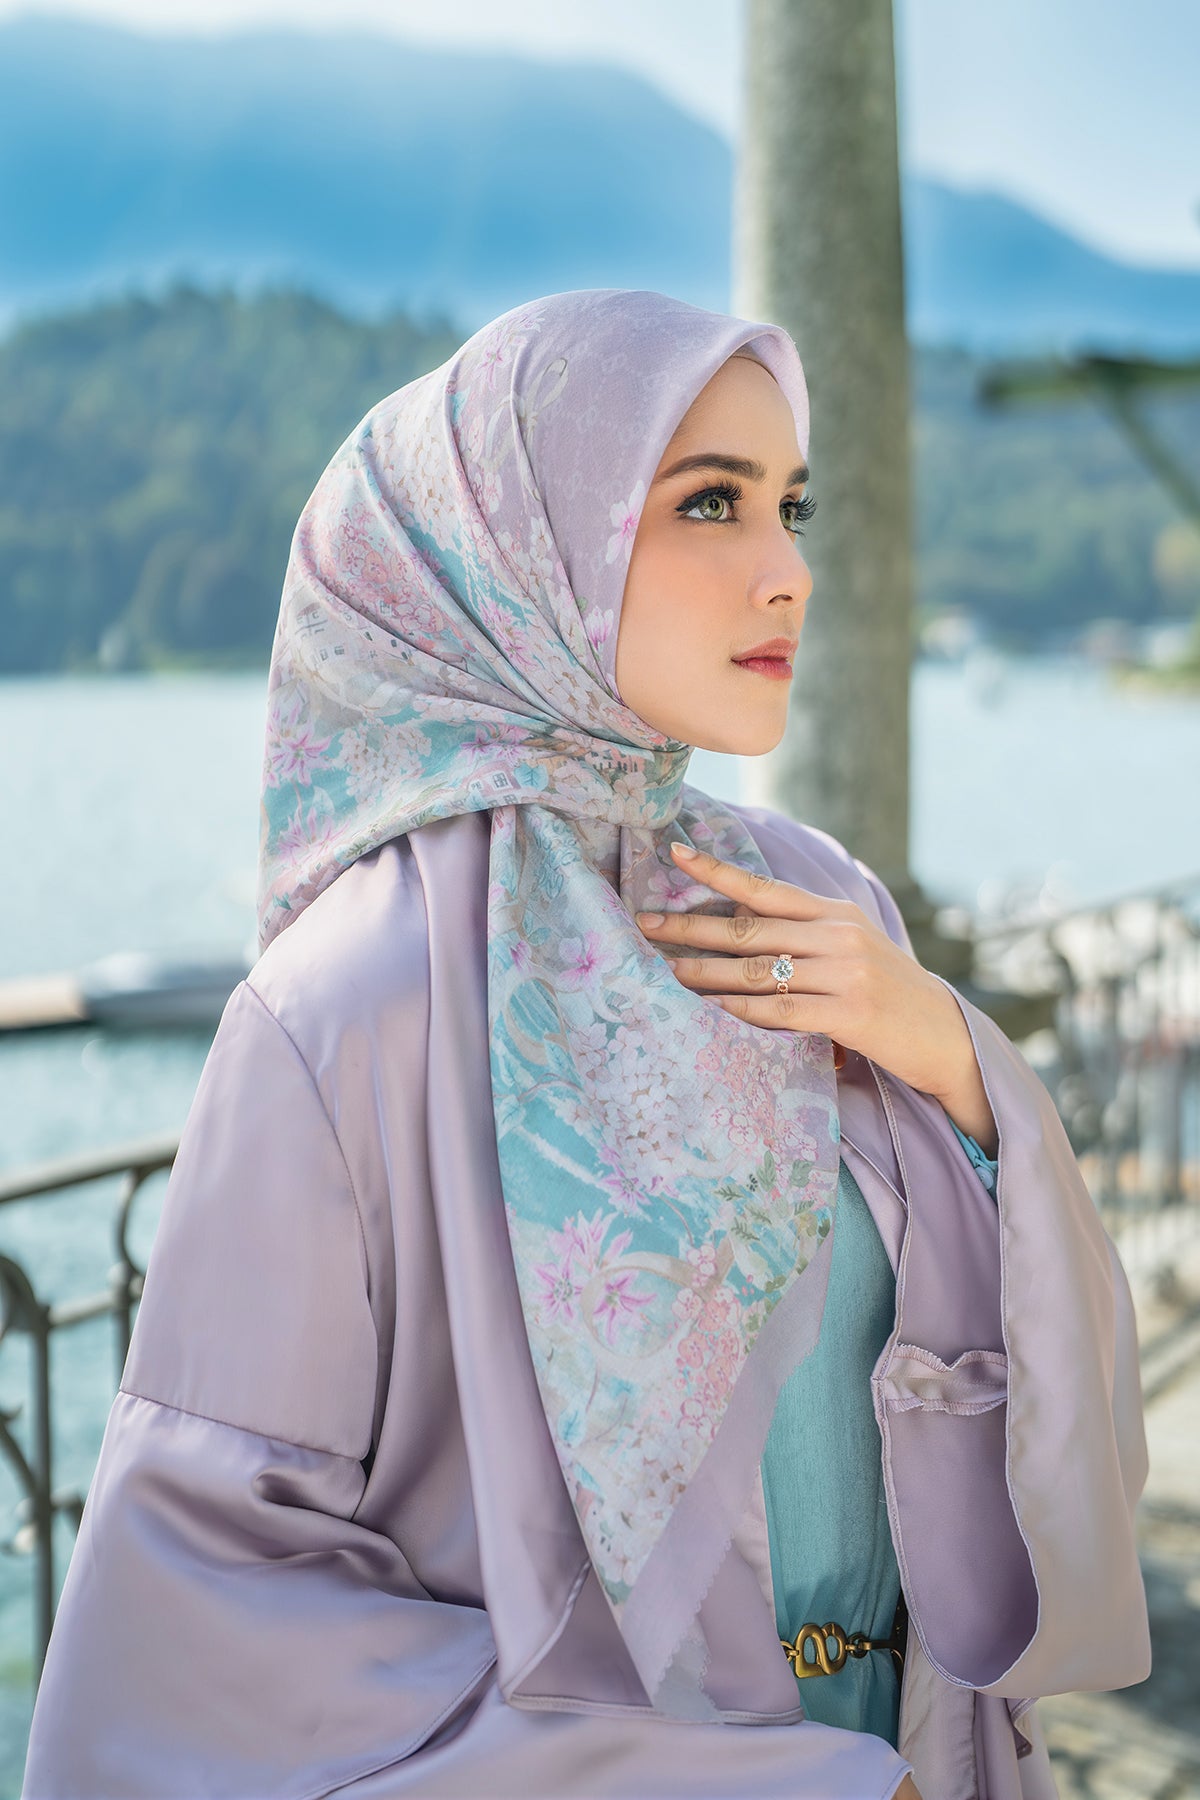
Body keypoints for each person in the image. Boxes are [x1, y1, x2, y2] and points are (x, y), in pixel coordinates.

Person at [22, 289, 1150, 1800]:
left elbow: (1018, 1382)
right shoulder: (352, 997)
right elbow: (201, 1614)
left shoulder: (817, 899)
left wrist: (946, 1051)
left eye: (793, 506)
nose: (789, 571)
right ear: (521, 546)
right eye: (710, 504)